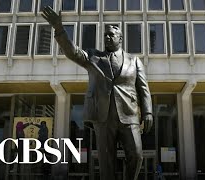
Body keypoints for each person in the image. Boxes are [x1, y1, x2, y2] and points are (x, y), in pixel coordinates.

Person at [42, 6, 153, 180]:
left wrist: (147, 111)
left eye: (111, 35)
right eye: (105, 36)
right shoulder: (94, 57)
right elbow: (72, 52)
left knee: (137, 155)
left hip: (129, 115)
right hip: (103, 117)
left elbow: (143, 88)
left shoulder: (134, 60)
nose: (107, 38)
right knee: (106, 163)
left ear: (120, 38)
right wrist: (59, 29)